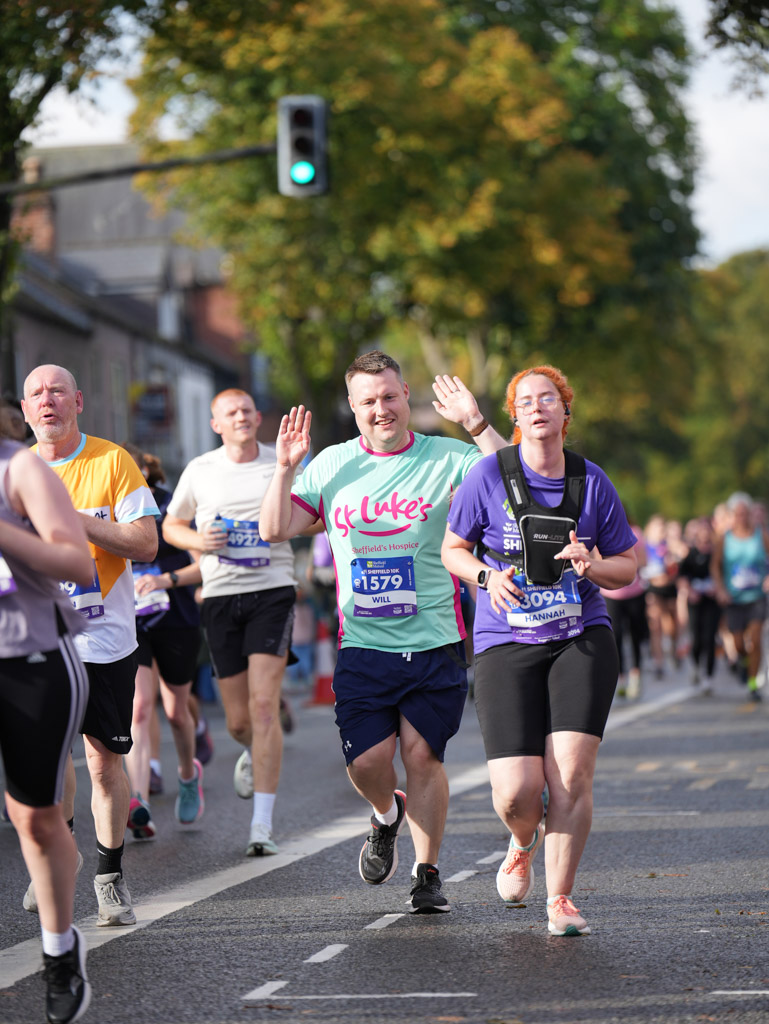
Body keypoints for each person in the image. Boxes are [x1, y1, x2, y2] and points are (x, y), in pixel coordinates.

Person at [259, 350, 507, 912]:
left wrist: (475, 422)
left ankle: (427, 872)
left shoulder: (448, 458)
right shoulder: (330, 465)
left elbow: (517, 485)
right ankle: (385, 813)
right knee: (368, 763)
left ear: (405, 395)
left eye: (390, 397)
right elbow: (274, 529)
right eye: (368, 401)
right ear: (352, 407)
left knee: (423, 757)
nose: (381, 409)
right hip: (364, 645)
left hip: (436, 639)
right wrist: (284, 468)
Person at [440, 364, 636, 936]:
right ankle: (522, 839)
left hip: (581, 638)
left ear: (565, 410)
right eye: (525, 401)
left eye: (547, 398)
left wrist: (593, 565)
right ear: (515, 416)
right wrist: (484, 577)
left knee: (571, 776)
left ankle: (562, 901)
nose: (536, 407)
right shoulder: (487, 476)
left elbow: (627, 564)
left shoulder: (591, 481)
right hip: (506, 642)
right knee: (516, 793)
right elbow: (454, 550)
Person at [21, 365, 159, 927]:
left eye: (57, 391)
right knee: (52, 762)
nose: (47, 401)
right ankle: (62, 857)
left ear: (77, 399)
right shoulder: (13, 472)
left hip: (105, 637)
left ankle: (109, 876)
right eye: (36, 394)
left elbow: (146, 544)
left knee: (103, 764)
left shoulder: (111, 462)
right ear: (26, 411)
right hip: (39, 637)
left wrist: (73, 521)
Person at [162, 388, 298, 857]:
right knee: (240, 721)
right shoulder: (201, 469)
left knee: (263, 709)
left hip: (272, 592)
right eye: (230, 413)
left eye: (246, 410)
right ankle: (250, 749)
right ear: (216, 424)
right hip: (220, 596)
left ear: (258, 418)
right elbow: (170, 526)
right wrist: (199, 539)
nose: (240, 417)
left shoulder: (281, 463)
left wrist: (281, 523)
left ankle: (261, 825)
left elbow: (314, 516)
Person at [0, 419, 92, 1023]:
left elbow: (77, 563)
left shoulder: (18, 468)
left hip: (29, 658)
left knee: (34, 818)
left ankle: (59, 951)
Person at [121, 446, 205, 840]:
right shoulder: (110, 510)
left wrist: (164, 581)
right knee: (138, 707)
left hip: (177, 619)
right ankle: (138, 802)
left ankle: (188, 773)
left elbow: (202, 564)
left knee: (175, 712)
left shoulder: (171, 509)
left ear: (148, 473)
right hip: (131, 622)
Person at [711, 492, 769, 700]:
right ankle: (744, 662)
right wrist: (720, 589)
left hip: (756, 597)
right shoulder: (724, 538)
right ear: (732, 515)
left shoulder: (760, 534)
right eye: (737, 514)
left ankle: (753, 684)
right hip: (733, 599)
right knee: (737, 644)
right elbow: (715, 567)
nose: (741, 517)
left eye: (745, 513)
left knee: (755, 638)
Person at [599, 511, 647, 699]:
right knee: (615, 635)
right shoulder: (602, 531)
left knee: (635, 635)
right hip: (611, 594)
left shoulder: (635, 533)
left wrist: (627, 566)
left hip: (634, 593)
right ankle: (620, 677)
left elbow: (643, 560)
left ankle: (636, 674)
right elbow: (595, 559)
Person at [677, 516, 720, 692]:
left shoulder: (716, 554)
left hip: (712, 601)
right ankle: (694, 664)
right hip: (695, 601)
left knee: (710, 637)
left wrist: (717, 587)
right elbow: (681, 577)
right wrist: (689, 590)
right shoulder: (691, 554)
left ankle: (708, 677)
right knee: (696, 638)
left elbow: (723, 574)